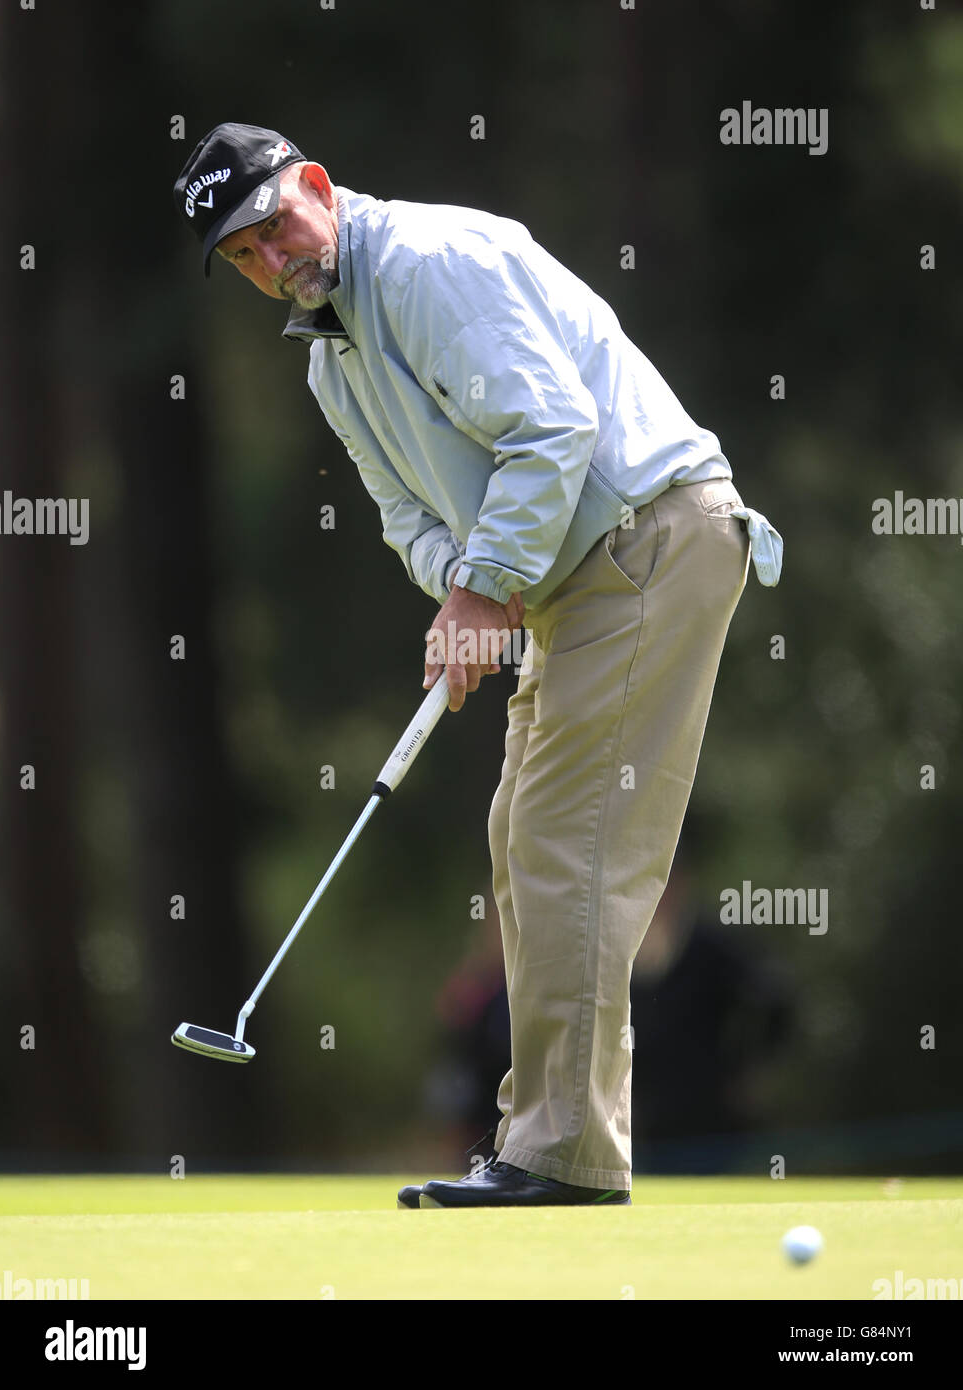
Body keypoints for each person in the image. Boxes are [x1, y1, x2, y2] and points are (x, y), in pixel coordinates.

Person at [173, 122, 782, 1209]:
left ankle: (560, 1158)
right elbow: (405, 513)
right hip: (572, 578)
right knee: (521, 835)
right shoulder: (331, 360)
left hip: (649, 538)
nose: (271, 261)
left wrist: (483, 585)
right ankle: (548, 1145)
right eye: (244, 257)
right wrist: (461, 591)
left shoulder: (422, 262)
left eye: (272, 226)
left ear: (315, 185)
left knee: (564, 840)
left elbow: (551, 428)